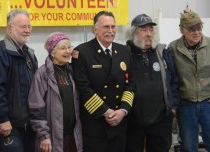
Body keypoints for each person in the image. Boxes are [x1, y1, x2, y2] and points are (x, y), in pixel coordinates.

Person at [71, 11, 135, 152]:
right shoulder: (82, 52)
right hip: (96, 123)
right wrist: (106, 112)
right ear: (95, 30)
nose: (111, 31)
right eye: (106, 27)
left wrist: (123, 111)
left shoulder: (124, 51)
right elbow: (84, 89)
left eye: (113, 27)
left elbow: (130, 84)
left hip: (120, 121)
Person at [0, 9, 38, 152]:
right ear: (9, 28)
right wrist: (2, 119)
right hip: (9, 126)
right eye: (22, 27)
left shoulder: (30, 54)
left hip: (29, 125)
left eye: (29, 26)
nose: (27, 30)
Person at [125, 14, 180, 152]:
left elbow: (174, 80)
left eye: (151, 30)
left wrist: (173, 105)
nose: (148, 34)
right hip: (133, 119)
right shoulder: (124, 53)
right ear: (133, 33)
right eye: (144, 30)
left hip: (161, 119)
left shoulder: (162, 52)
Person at [28, 32, 83, 152]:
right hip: (52, 137)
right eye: (63, 48)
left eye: (69, 47)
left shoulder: (73, 71)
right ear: (52, 52)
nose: (68, 51)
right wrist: (43, 136)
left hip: (73, 136)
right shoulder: (42, 74)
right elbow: (36, 108)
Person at [168, 11, 210, 152]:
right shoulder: (173, 48)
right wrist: (174, 103)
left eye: (199, 28)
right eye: (191, 29)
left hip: (207, 102)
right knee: (188, 145)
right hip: (185, 104)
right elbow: (171, 77)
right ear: (182, 29)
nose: (196, 32)